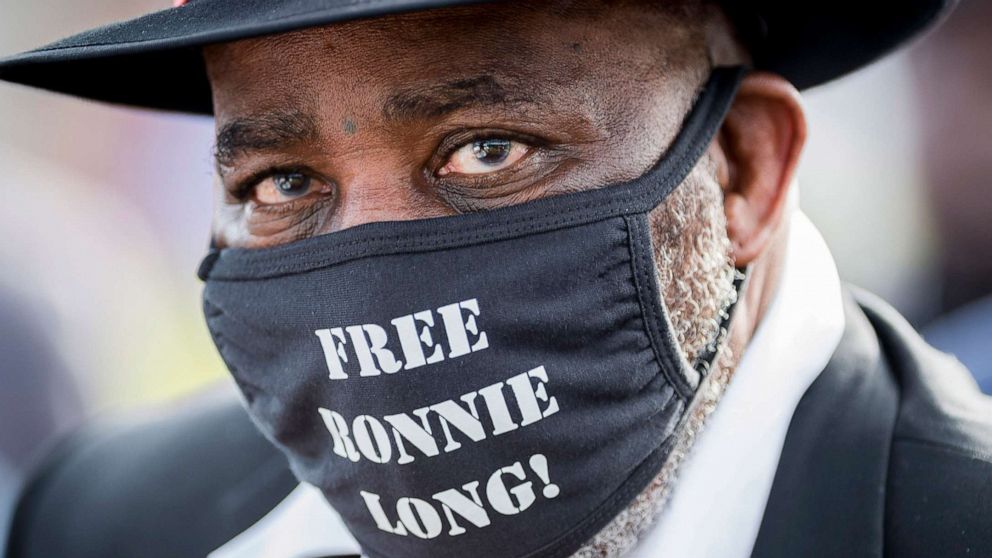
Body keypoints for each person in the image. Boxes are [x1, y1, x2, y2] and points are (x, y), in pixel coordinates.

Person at [1, 1, 989, 557]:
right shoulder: (107, 523)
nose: (371, 282)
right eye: (284, 181)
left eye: (487, 151)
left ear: (740, 166)